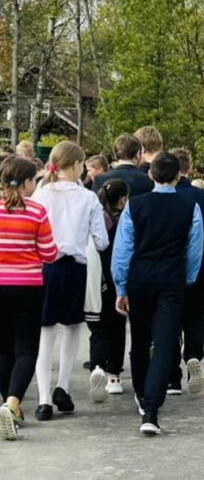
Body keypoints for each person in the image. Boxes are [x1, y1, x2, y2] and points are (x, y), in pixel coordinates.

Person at [112, 152, 203, 435]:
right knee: (164, 343)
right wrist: (187, 278)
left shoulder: (135, 205)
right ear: (178, 176)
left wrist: (120, 286)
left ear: (150, 174)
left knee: (140, 340)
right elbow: (195, 249)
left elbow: (123, 249)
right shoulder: (189, 207)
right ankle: (152, 407)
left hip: (140, 279)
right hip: (171, 280)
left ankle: (142, 395)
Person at [31, 141, 109, 421]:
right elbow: (102, 241)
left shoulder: (40, 194)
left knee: (45, 332)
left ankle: (43, 399)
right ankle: (62, 386)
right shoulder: (88, 198)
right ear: (76, 165)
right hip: (75, 268)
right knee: (73, 328)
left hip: (44, 267)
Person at [0, 156, 58, 440]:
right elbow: (50, 253)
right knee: (25, 349)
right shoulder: (36, 211)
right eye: (34, 180)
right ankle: (12, 403)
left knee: (3, 348)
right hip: (27, 287)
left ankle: (8, 405)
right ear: (25, 182)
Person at [169, 148, 204, 396]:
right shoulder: (203, 197)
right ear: (189, 168)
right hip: (198, 265)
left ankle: (172, 376)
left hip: (169, 267)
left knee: (169, 318)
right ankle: (194, 355)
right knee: (195, 315)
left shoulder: (164, 195)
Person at [86, 179, 130, 400]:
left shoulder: (97, 217)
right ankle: (114, 376)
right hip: (118, 279)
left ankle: (97, 366)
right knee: (117, 327)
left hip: (96, 277)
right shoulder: (125, 220)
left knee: (98, 327)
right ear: (122, 199)